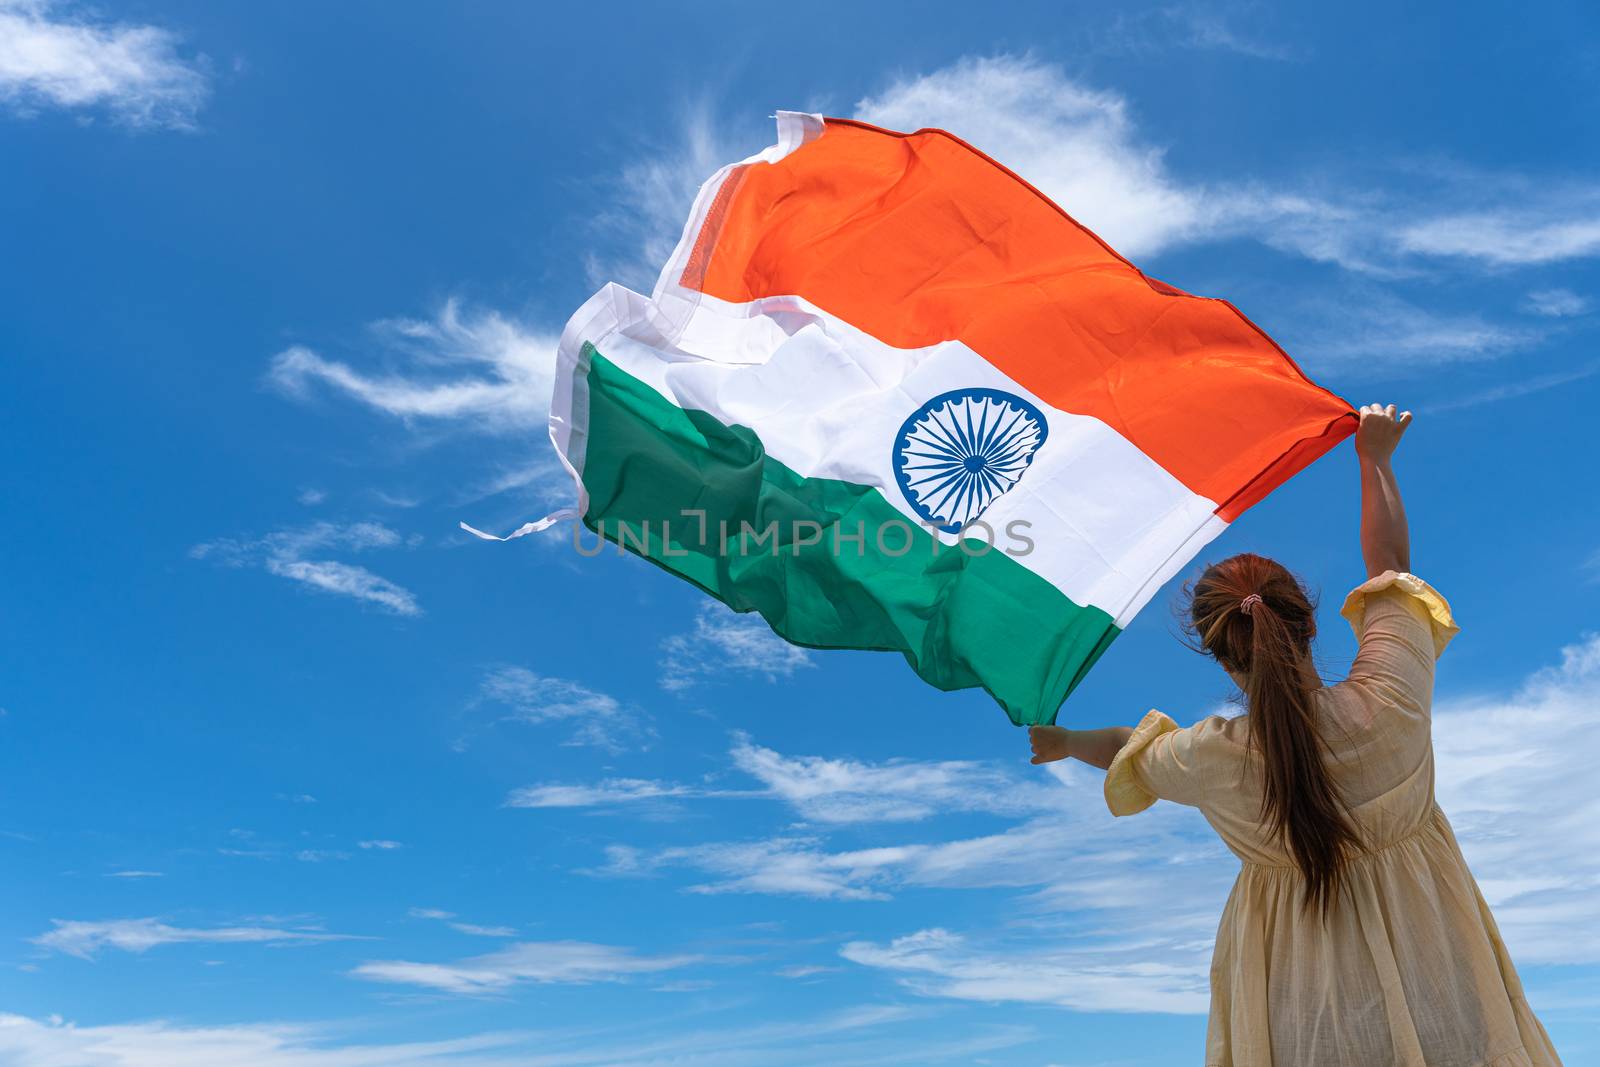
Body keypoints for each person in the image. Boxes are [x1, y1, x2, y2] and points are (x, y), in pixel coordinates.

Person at [1027, 404, 1562, 1067]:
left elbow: (1125, 746)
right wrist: (1374, 460)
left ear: (1222, 658)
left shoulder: (1211, 756)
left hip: (1297, 1018)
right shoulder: (1391, 699)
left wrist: (1065, 741)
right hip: (1442, 991)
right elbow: (1391, 567)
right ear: (1307, 622)